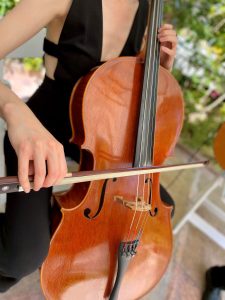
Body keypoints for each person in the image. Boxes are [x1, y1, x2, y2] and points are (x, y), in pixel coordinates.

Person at [0, 0, 178, 293]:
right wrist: (16, 111)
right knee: (22, 256)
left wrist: (154, 71)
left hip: (104, 144)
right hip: (42, 134)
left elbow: (115, 86)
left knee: (156, 210)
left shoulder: (146, 6)